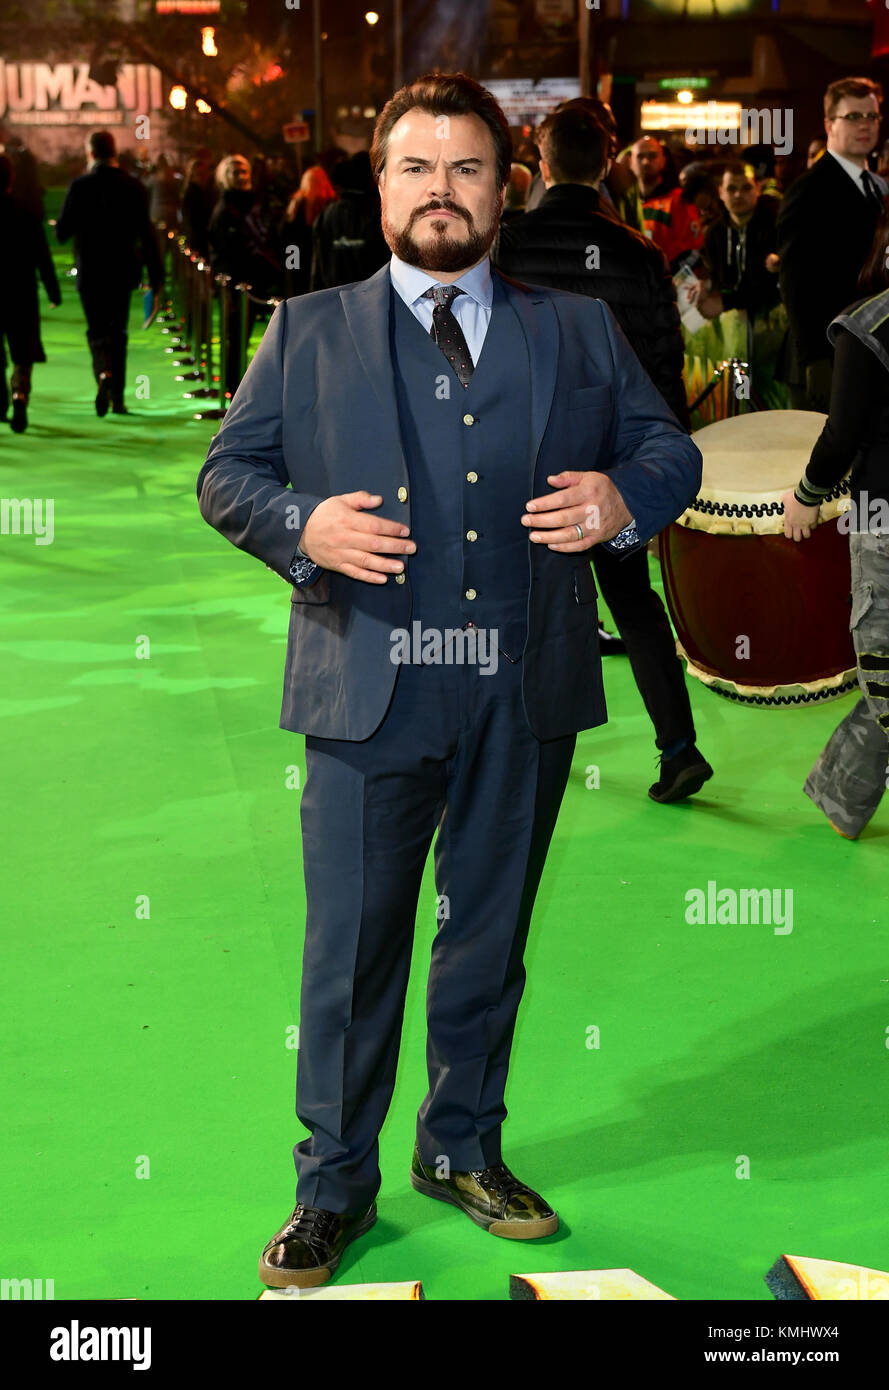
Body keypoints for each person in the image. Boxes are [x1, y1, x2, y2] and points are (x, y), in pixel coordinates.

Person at [197, 70, 702, 1288]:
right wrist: (302, 524)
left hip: (521, 690)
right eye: (416, 168)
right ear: (381, 190)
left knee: (486, 938)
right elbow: (228, 474)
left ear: (502, 187)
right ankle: (332, 1184)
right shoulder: (304, 330)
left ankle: (462, 1148)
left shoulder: (574, 327)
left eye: (466, 168)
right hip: (367, 692)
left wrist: (625, 498)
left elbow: (667, 445)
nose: (441, 192)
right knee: (353, 946)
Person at [494, 105, 712, 802]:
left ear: (542, 156)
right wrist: (659, 472)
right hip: (610, 465)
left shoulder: (507, 242)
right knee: (635, 605)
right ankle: (677, 746)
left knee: (508, 606)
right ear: (609, 158)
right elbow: (661, 363)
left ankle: (505, 752)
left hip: (520, 459)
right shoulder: (637, 251)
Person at [781, 213, 889, 839]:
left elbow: (842, 429)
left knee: (883, 666)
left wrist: (807, 496)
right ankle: (840, 796)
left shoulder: (868, 324)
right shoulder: (866, 324)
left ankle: (838, 796)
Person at [776, 76, 886, 412]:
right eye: (853, 116)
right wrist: (813, 359)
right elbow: (795, 279)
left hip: (866, 348)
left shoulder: (877, 187)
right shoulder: (808, 190)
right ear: (829, 124)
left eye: (872, 116)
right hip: (826, 356)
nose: (864, 125)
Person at [56, 130, 162, 416]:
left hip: (90, 271)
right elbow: (147, 234)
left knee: (97, 329)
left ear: (91, 153)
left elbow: (62, 232)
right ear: (114, 151)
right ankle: (118, 397)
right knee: (119, 331)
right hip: (122, 270)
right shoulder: (134, 186)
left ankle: (103, 373)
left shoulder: (80, 186)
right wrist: (157, 276)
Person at [207, 154, 283, 397]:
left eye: (244, 171)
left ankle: (264, 391)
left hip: (264, 278)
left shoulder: (259, 202)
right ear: (225, 177)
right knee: (236, 337)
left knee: (271, 340)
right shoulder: (224, 208)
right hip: (238, 283)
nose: (240, 176)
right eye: (235, 172)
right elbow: (220, 248)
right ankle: (233, 390)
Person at [0, 153, 61, 433]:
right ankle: (19, 393)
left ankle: (1, 402)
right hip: (21, 292)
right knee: (23, 354)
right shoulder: (25, 211)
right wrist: (52, 290)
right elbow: (42, 255)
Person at [689, 160, 781, 323]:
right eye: (731, 189)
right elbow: (718, 276)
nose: (738, 195)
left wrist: (725, 302)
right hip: (732, 326)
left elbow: (771, 287)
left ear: (758, 189)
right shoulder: (714, 233)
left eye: (746, 188)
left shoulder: (774, 226)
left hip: (772, 323)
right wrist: (707, 286)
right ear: (721, 192)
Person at [277, 165, 336, 297]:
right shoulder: (330, 202)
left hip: (296, 254)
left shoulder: (296, 203)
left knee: (296, 291)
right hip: (321, 258)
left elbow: (286, 234)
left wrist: (291, 265)